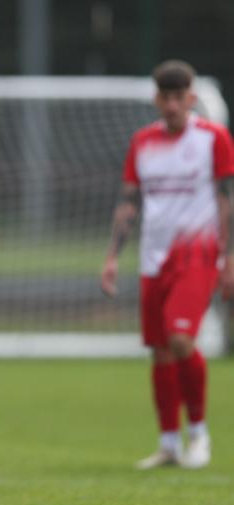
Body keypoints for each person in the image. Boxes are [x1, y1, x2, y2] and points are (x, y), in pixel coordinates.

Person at [101, 59, 234, 470]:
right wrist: (111, 257)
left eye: (181, 97)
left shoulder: (213, 138)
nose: (173, 105)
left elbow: (226, 198)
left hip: (197, 254)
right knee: (159, 351)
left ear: (191, 98)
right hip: (153, 257)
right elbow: (128, 202)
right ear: (157, 99)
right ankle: (169, 443)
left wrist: (228, 258)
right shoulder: (143, 142)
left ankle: (199, 435)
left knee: (181, 341)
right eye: (167, 97)